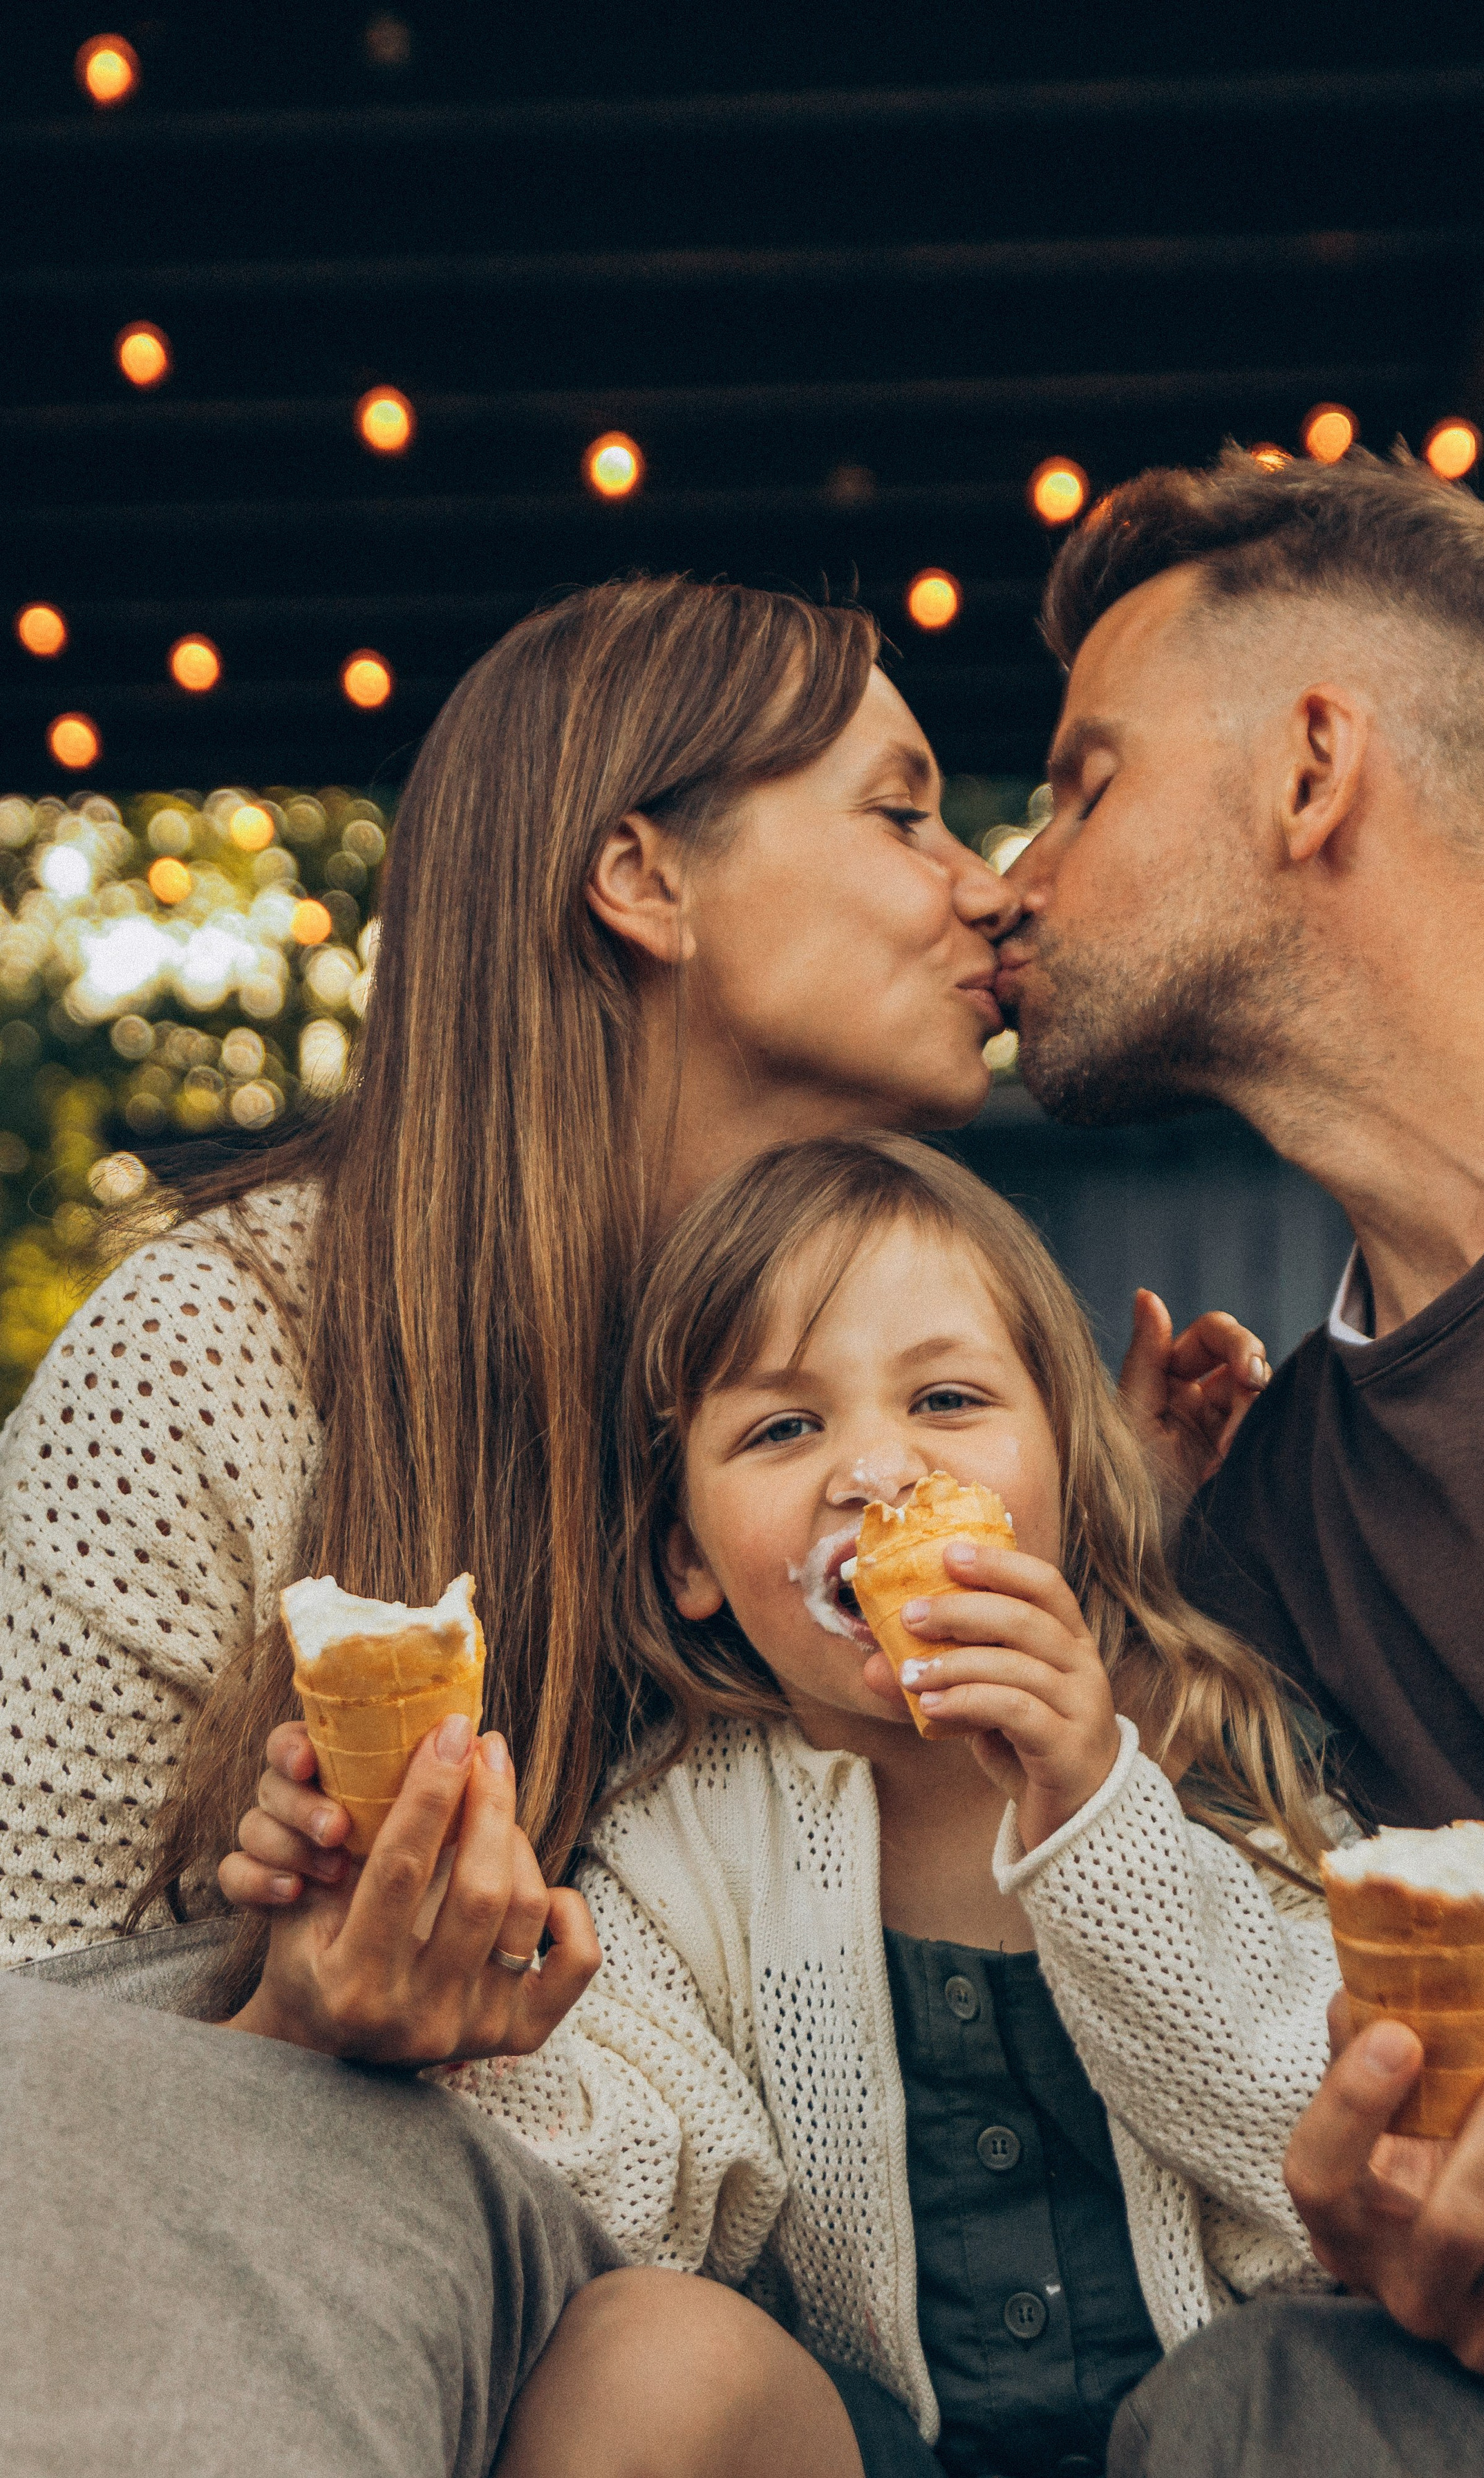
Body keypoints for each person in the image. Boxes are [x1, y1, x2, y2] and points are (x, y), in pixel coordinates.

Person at [0, 575, 1266, 2475]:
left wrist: (1117, 1539)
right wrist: (297, 2016)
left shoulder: (858, 1425)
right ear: (643, 881)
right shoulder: (224, 1351)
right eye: (903, 809)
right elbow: (39, 2064)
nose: (987, 885)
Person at [998, 449, 1484, 2468]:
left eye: (1084, 783)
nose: (1011, 877)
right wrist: (1400, 2235)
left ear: (1313, 765)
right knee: (1274, 2404)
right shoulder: (1259, 1545)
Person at [232, 1127, 1346, 2478]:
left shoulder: (1215, 1770)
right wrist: (443, 2006)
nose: (873, 1472)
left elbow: (1311, 2191)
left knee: (1307, 2382)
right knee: (644, 2354)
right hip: (855, 2453)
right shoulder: (676, 1848)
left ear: (1065, 1469)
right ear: (688, 1559)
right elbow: (627, 2205)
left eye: (944, 1402)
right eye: (782, 1426)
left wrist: (1091, 1814)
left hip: (1220, 2439)